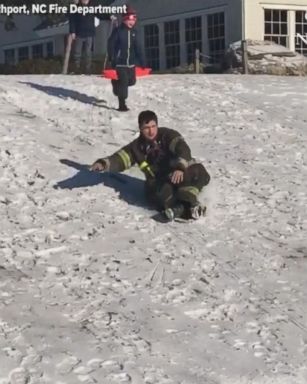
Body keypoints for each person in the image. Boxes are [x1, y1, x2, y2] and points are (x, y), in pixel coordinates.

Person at [90, 111, 211, 221]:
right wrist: (104, 163)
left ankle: (184, 206)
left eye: (153, 126)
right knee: (161, 193)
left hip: (179, 173)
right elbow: (120, 159)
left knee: (198, 171)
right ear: (140, 129)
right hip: (160, 183)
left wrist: (180, 168)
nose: (151, 131)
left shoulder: (168, 135)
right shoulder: (136, 147)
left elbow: (183, 149)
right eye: (146, 128)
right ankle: (186, 208)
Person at [107, 6, 145, 111]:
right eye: (129, 19)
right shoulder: (118, 31)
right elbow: (111, 44)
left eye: (134, 19)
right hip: (120, 63)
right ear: (124, 19)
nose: (131, 22)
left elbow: (138, 48)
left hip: (131, 63)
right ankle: (122, 104)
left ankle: (116, 84)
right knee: (123, 83)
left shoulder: (134, 32)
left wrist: (142, 62)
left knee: (132, 81)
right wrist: (112, 58)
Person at [69, 0, 114, 74]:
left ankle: (88, 70)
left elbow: (100, 14)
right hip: (79, 32)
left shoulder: (92, 6)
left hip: (89, 32)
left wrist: (109, 16)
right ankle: (76, 69)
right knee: (77, 52)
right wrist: (72, 31)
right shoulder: (76, 7)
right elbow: (72, 20)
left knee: (88, 52)